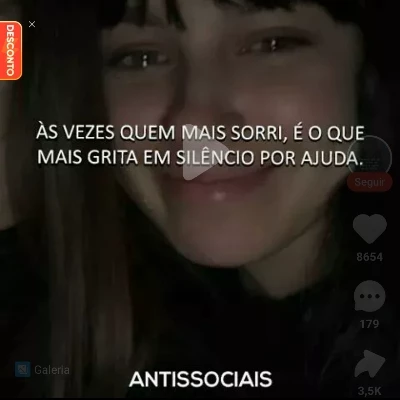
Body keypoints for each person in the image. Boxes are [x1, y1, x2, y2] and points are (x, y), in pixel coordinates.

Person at [1, 0, 398, 398]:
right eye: (140, 57)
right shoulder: (46, 317)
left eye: (272, 44)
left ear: (366, 71)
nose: (194, 122)